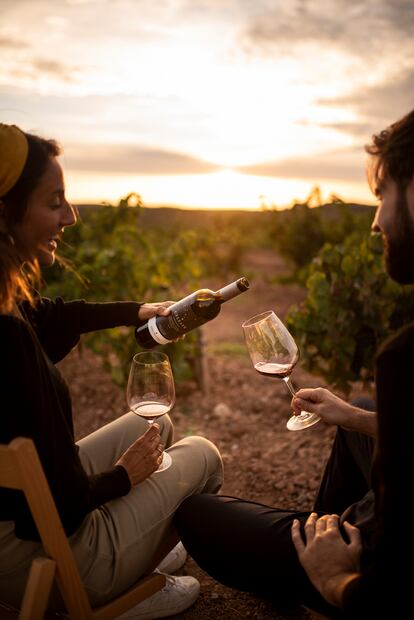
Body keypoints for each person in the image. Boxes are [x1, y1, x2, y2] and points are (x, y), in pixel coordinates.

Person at [174, 109, 414, 618]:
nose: (375, 222)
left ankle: (310, 553)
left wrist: (335, 578)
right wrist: (352, 417)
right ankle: (319, 529)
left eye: (381, 197)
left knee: (192, 513)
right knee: (365, 407)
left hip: (368, 567)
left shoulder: (406, 355)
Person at [0, 123, 223, 619]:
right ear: (6, 213)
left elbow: (53, 314)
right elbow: (61, 507)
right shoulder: (9, 346)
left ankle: (139, 540)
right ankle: (126, 586)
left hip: (13, 521)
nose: (72, 216)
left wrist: (139, 310)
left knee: (158, 425)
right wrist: (124, 478)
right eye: (55, 201)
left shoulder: (6, 310)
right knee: (203, 454)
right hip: (47, 558)